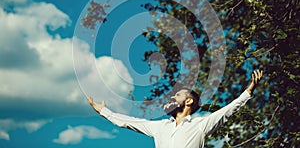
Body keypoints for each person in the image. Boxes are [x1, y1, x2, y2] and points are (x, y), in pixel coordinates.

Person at [88, 70, 263, 148]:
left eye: (177, 95)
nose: (172, 97)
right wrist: (104, 111)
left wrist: (249, 91)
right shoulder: (160, 127)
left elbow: (226, 111)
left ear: (188, 101)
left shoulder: (200, 125)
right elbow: (130, 122)